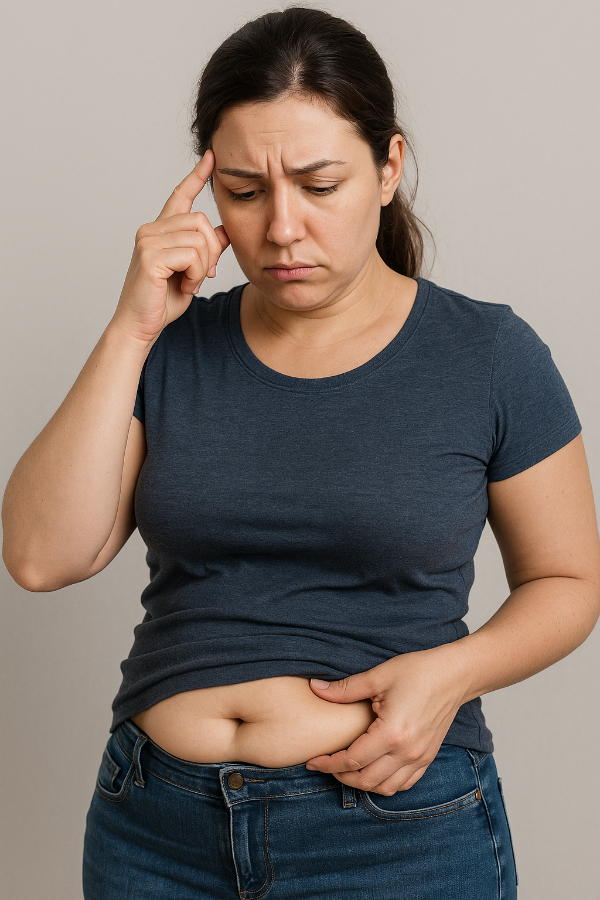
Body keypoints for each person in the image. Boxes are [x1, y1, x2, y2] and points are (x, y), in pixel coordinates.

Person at [2, 6, 599, 899]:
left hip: (394, 833)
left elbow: (570, 581)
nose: (282, 229)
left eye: (320, 185)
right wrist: (132, 327)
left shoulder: (488, 354)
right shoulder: (169, 347)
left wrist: (449, 675)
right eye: (244, 191)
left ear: (389, 167)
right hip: (152, 829)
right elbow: (41, 557)